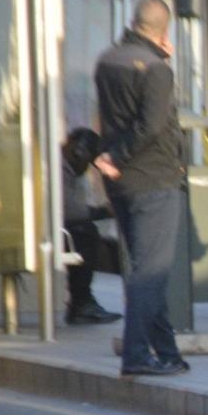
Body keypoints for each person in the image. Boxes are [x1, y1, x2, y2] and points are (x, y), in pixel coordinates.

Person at [94, 0, 191, 378]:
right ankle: (136, 354)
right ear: (164, 31)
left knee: (143, 266)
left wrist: (111, 159)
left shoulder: (108, 59)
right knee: (151, 272)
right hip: (153, 179)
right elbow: (151, 126)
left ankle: (166, 350)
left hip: (121, 184)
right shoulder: (156, 70)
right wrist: (118, 155)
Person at [61, 127, 122, 325]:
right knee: (85, 234)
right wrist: (103, 212)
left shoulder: (72, 170)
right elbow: (70, 210)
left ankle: (82, 300)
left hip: (59, 226)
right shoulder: (59, 168)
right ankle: (81, 303)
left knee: (88, 233)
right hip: (49, 229)